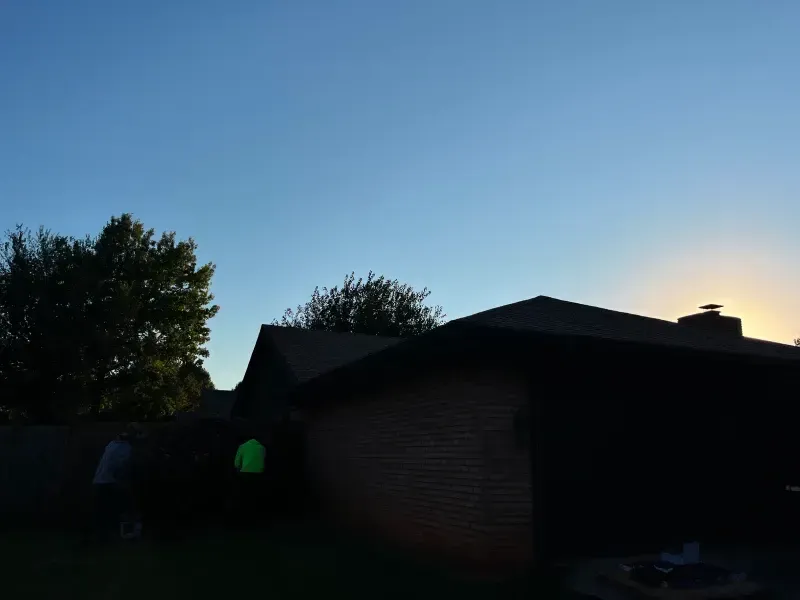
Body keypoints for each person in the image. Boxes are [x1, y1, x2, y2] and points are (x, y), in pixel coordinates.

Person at [88, 428, 134, 542]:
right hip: (109, 482)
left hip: (101, 481)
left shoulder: (111, 445)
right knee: (107, 511)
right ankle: (105, 536)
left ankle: (101, 536)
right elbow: (119, 466)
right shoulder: (124, 448)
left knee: (101, 511)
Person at [232, 435, 267, 525]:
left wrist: (238, 470)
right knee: (256, 498)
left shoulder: (243, 447)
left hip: (245, 474)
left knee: (245, 497)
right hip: (259, 474)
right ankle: (257, 519)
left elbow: (236, 463)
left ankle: (245, 520)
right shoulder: (262, 448)